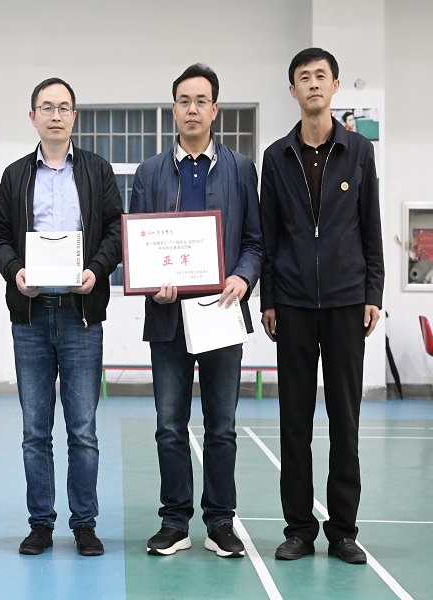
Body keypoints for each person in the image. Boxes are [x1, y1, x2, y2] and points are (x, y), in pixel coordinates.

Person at [129, 64, 263, 558]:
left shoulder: (240, 169)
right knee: (169, 425)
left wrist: (242, 277)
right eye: (184, 101)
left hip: (221, 312)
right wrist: (152, 286)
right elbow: (137, 245)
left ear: (214, 109)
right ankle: (174, 522)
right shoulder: (149, 173)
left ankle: (221, 522)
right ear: (174, 109)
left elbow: (255, 241)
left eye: (201, 101)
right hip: (168, 318)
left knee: (221, 426)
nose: (192, 109)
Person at [0, 77, 122, 557]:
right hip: (31, 316)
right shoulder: (15, 175)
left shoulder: (97, 170)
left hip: (81, 315)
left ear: (74, 117)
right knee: (35, 430)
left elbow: (116, 231)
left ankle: (84, 524)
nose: (56, 115)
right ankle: (41, 524)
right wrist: (15, 271)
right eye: (47, 107)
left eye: (64, 107)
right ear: (33, 117)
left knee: (83, 429)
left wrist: (96, 269)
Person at [260, 48, 384, 565]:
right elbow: (268, 235)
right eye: (303, 78)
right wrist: (268, 298)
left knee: (344, 422)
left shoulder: (359, 151)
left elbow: (371, 226)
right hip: (290, 303)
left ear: (334, 87)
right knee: (294, 422)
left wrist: (373, 293)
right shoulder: (276, 157)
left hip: (345, 302)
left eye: (321, 76)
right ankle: (298, 529)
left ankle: (343, 531)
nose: (313, 84)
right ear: (292, 90)